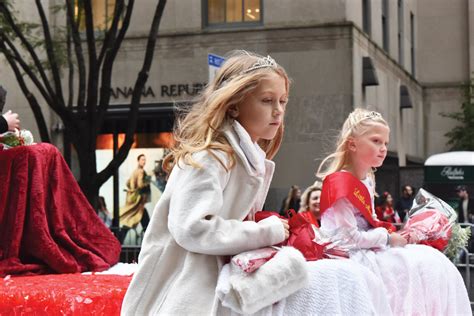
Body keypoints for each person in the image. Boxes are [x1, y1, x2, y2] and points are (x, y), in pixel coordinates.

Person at [121, 51, 291, 315]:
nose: (278, 110)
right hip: (183, 293)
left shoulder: (243, 157)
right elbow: (193, 228)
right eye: (267, 100)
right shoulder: (210, 156)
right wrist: (265, 231)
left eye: (283, 101)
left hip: (213, 289)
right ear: (234, 104)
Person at [317, 108, 470, 315]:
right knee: (408, 266)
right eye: (376, 141)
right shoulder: (340, 183)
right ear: (352, 144)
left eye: (386, 143)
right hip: (347, 253)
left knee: (425, 260)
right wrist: (388, 239)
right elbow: (346, 239)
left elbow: (369, 222)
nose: (383, 148)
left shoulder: (367, 179)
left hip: (368, 246)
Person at [119, 154, 151, 231]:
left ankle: (120, 238)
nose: (144, 161)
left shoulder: (134, 171)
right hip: (138, 201)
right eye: (142, 160)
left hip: (135, 200)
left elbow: (128, 183)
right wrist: (147, 181)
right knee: (143, 223)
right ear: (138, 161)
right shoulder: (141, 171)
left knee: (133, 219)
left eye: (145, 160)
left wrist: (132, 189)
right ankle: (149, 240)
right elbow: (140, 185)